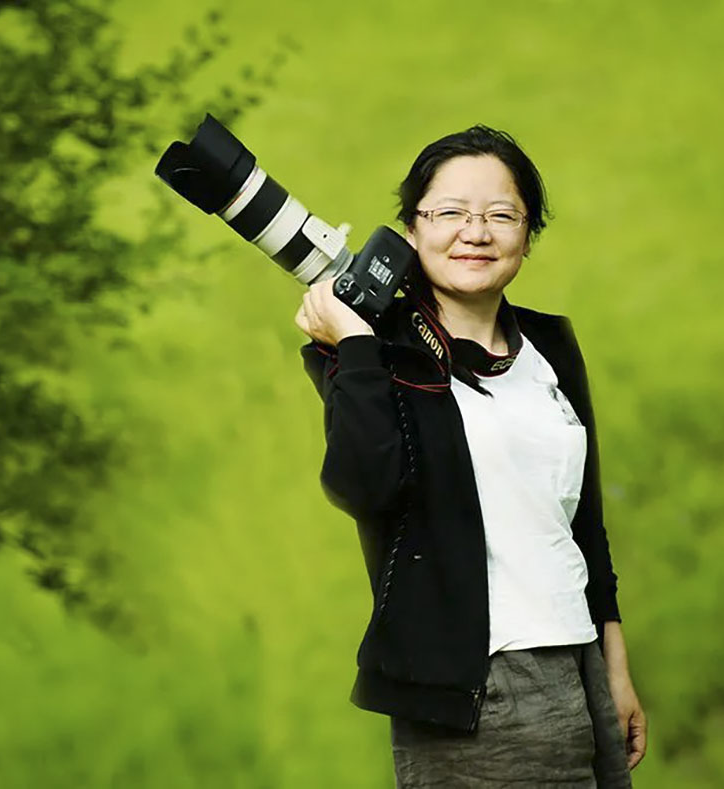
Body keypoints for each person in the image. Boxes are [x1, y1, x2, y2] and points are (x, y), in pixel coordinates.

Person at [294, 125, 647, 787]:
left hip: (580, 667)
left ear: (528, 233)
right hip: (473, 686)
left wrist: (613, 668)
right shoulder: (379, 352)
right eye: (449, 212)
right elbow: (365, 485)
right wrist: (356, 348)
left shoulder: (549, 345)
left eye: (499, 214)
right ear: (409, 229)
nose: (474, 232)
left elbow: (580, 525)